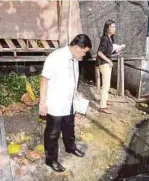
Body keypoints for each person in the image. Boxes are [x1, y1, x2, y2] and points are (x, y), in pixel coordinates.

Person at [39, 34, 92, 172]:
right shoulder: (56, 57)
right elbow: (44, 79)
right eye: (84, 52)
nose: (84, 55)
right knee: (52, 134)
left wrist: (76, 94)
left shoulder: (75, 58)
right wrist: (42, 103)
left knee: (69, 128)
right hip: (56, 104)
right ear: (77, 47)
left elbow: (72, 79)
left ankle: (71, 148)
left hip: (69, 103)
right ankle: (51, 160)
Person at [96, 19, 117, 114]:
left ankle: (105, 100)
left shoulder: (110, 38)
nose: (114, 28)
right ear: (107, 28)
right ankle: (102, 106)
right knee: (105, 85)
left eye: (114, 27)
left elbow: (107, 51)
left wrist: (116, 51)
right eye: (112, 27)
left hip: (106, 63)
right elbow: (99, 52)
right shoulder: (105, 38)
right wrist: (109, 61)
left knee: (107, 84)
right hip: (103, 63)